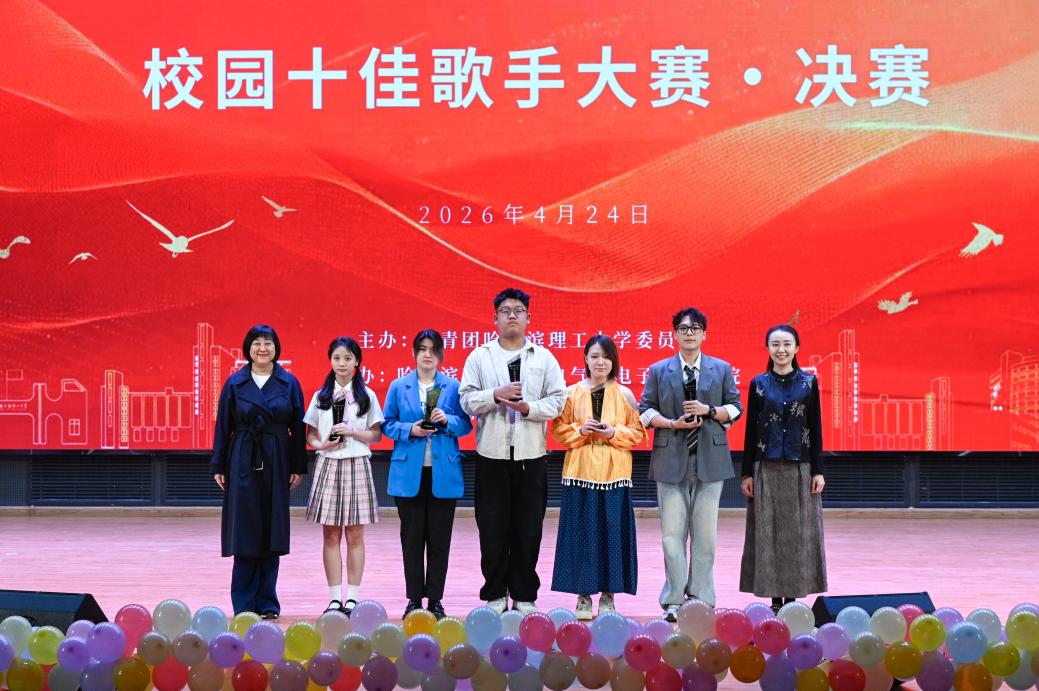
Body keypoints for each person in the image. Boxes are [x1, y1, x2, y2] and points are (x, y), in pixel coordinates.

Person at [459, 287, 567, 615]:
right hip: (491, 457)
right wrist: (496, 394)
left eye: (518, 311)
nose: (512, 316)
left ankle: (523, 594)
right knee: (492, 529)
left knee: (528, 529)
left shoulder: (543, 357)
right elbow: (466, 400)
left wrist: (529, 408)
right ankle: (494, 593)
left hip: (531, 457)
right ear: (494, 318)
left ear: (528, 318)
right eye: (505, 311)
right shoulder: (480, 356)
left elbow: (558, 400)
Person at [638, 307, 743, 621]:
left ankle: (700, 598)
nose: (689, 333)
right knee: (672, 536)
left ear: (704, 334)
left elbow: (735, 408)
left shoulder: (721, 369)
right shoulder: (659, 370)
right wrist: (671, 423)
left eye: (695, 328)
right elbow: (645, 411)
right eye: (683, 328)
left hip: (710, 460)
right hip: (670, 459)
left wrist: (708, 410)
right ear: (675, 334)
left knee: (705, 536)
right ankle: (673, 599)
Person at [210, 324, 306, 619]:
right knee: (245, 528)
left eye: (268, 343)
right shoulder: (235, 382)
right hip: (242, 457)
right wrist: (218, 464)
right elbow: (223, 426)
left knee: (272, 529)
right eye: (257, 343)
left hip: (277, 458)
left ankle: (267, 602)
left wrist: (297, 465)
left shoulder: (289, 382)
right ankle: (243, 603)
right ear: (247, 348)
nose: (262, 348)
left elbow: (298, 428)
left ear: (276, 348)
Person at [551, 335, 645, 620]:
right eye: (594, 356)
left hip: (614, 474)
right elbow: (558, 430)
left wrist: (613, 432)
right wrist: (580, 431)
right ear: (585, 359)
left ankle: (608, 596)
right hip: (580, 473)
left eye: (605, 356)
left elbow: (638, 433)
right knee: (582, 536)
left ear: (613, 361)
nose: (600, 362)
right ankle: (583, 597)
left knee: (612, 536)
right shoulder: (571, 393)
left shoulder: (625, 394)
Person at [382, 329, 473, 620]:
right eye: (422, 349)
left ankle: (435, 600)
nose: (427, 355)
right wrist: (410, 429)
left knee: (439, 541)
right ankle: (413, 599)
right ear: (413, 353)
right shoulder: (399, 386)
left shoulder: (453, 386)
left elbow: (465, 425)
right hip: (408, 473)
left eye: (433, 350)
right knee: (411, 540)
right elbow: (387, 424)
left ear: (441, 355)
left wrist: (447, 421)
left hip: (442, 473)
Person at [739, 324, 827, 613]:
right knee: (768, 533)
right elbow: (750, 431)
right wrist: (747, 473)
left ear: (797, 348)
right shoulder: (758, 384)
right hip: (765, 466)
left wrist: (818, 470)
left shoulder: (809, 383)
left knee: (798, 533)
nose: (781, 350)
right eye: (775, 344)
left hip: (800, 467)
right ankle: (774, 600)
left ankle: (793, 599)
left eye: (787, 344)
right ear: (768, 348)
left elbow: (815, 428)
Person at [303, 337, 384, 616]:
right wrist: (322, 445)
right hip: (328, 465)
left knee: (355, 535)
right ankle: (335, 598)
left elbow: (376, 435)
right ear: (330, 360)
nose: (342, 364)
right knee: (330, 535)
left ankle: (352, 598)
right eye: (337, 358)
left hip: (357, 463)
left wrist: (352, 432)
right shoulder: (321, 396)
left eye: (348, 358)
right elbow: (311, 434)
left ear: (357, 361)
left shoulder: (367, 395)